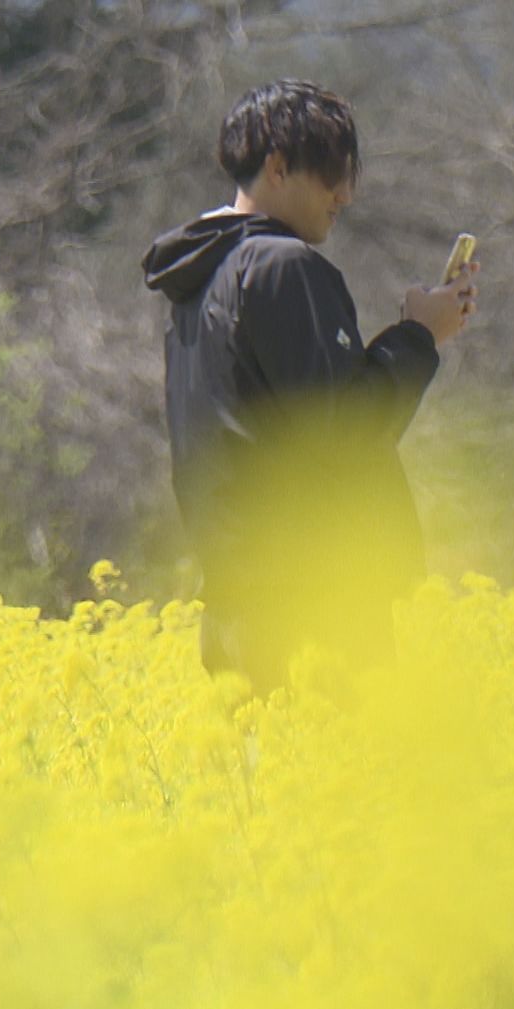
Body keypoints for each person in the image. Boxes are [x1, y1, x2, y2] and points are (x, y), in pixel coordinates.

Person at [140, 79, 478, 690]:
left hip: (240, 610)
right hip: (308, 613)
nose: (345, 195)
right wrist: (418, 337)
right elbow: (344, 433)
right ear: (277, 166)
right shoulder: (280, 266)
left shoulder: (202, 279)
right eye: (330, 174)